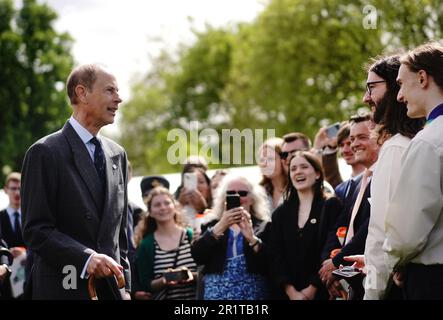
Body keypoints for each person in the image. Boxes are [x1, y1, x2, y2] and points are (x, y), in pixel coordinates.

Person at [21, 64, 130, 300]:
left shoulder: (117, 154)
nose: (119, 99)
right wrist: (86, 258)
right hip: (64, 288)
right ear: (82, 93)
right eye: (110, 91)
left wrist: (126, 288)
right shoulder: (45, 152)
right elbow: (36, 230)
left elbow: (121, 235)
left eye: (117, 91)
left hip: (112, 290)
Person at [361, 55, 424, 300]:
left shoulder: (397, 148)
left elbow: (383, 229)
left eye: (371, 87)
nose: (366, 98)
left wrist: (372, 292)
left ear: (396, 86)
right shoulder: (422, 141)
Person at [383, 42, 443, 300]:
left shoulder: (428, 141)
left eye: (400, 83)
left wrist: (394, 261)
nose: (398, 96)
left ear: (422, 78)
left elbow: (406, 233)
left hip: (432, 280)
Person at [319, 113, 379, 299]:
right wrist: (330, 268)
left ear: (381, 137)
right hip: (353, 282)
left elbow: (371, 226)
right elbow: (339, 227)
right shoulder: (357, 184)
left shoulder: (385, 176)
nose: (353, 145)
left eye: (362, 137)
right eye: (351, 139)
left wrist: (336, 263)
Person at [269, 151, 342, 300]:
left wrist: (312, 289)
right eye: (293, 169)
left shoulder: (331, 206)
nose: (298, 172)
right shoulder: (280, 214)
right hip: (287, 295)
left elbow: (331, 248)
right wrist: (291, 292)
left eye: (304, 167)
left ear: (317, 174)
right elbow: (275, 256)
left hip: (322, 292)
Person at [191, 174, 271, 300]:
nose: (238, 197)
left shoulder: (265, 226)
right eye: (231, 193)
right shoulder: (211, 226)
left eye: (243, 193)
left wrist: (252, 239)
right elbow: (197, 256)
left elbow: (271, 263)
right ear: (224, 199)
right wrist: (220, 227)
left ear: (252, 199)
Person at [134, 187, 197, 300]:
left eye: (167, 203)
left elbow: (205, 274)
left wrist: (189, 275)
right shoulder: (146, 245)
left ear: (175, 207)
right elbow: (146, 284)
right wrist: (165, 279)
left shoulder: (191, 236)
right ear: (151, 212)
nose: (163, 207)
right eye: (157, 205)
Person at [258, 138, 287, 214]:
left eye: (270, 159)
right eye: (262, 160)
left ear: (284, 160)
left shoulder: (296, 190)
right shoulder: (258, 192)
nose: (265, 164)